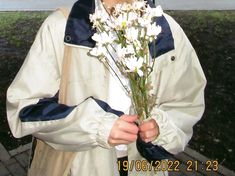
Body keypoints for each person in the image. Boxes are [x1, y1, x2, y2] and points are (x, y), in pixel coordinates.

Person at [6, 0, 206, 175]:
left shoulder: (166, 31)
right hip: (78, 167)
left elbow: (187, 102)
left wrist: (161, 127)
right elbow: (25, 109)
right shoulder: (63, 28)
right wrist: (96, 126)